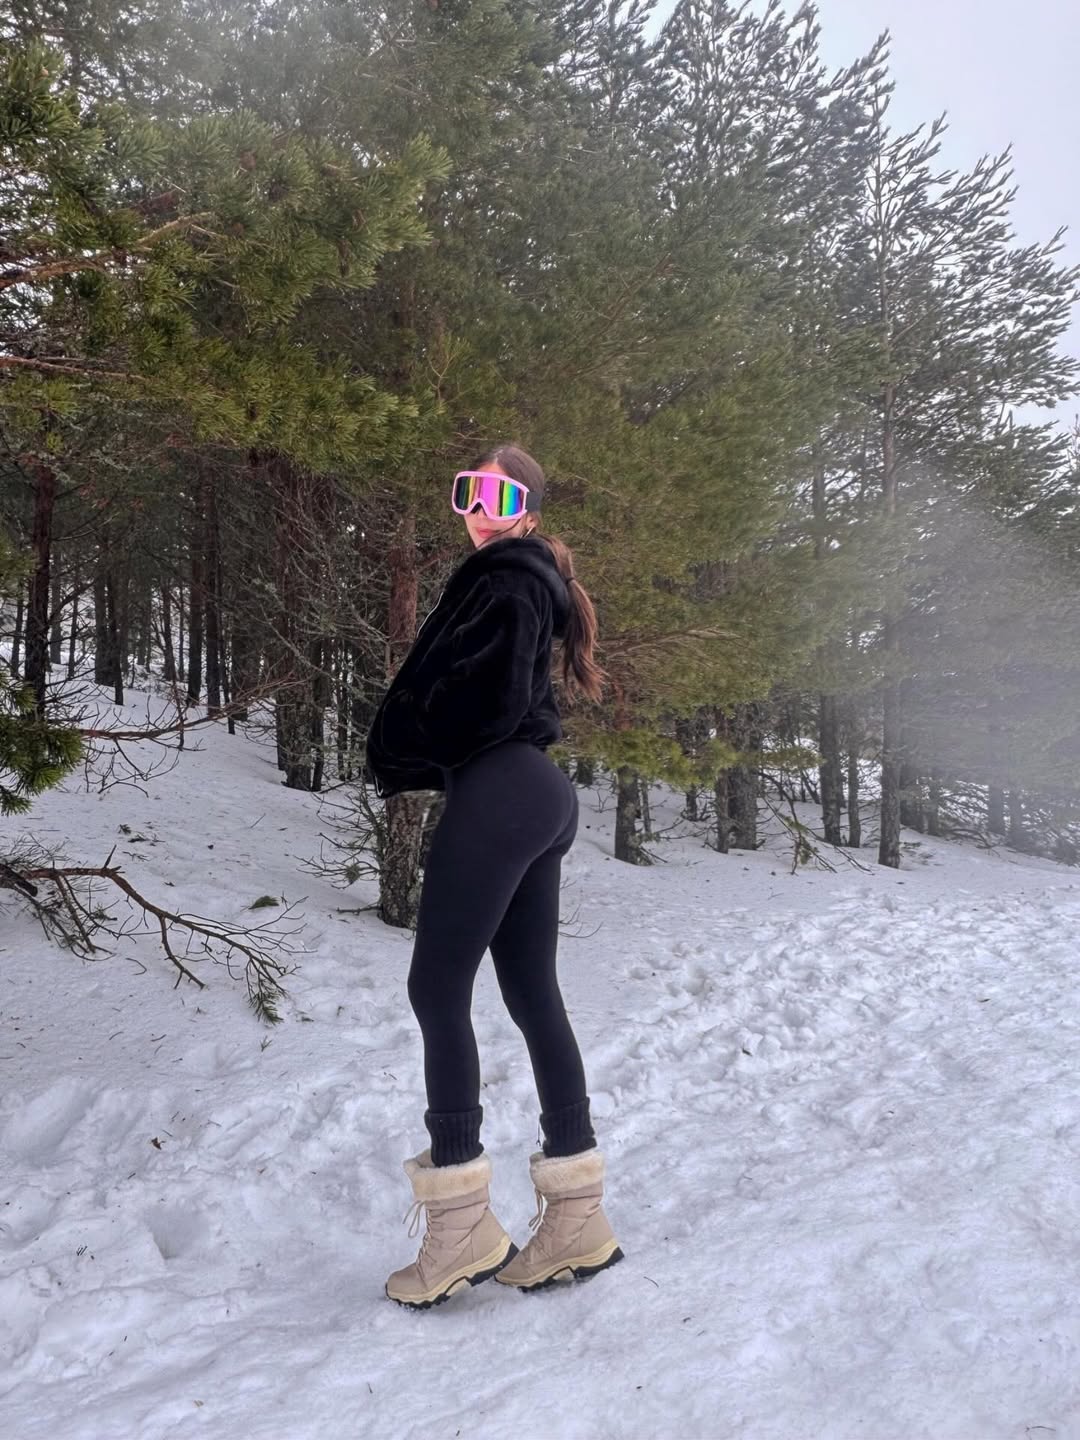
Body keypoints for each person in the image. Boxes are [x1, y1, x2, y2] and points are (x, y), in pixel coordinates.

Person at [366, 443, 624, 1308]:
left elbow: (495, 699)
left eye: (500, 496)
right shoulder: (523, 576)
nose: (480, 510)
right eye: (469, 492)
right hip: (535, 792)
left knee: (437, 992)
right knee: (532, 995)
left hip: (504, 790)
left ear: (529, 513)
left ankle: (460, 1226)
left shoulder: (508, 578)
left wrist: (417, 728)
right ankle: (577, 1215)